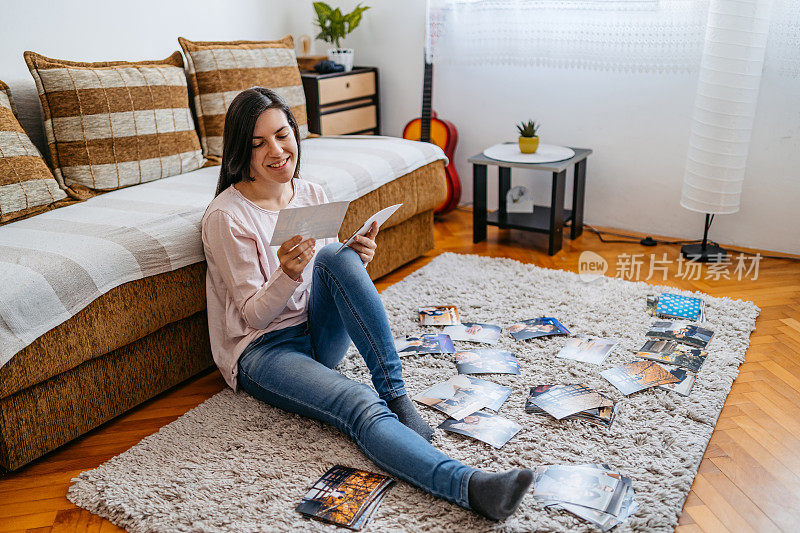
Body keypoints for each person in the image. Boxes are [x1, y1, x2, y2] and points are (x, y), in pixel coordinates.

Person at [200, 87, 533, 521]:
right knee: (358, 405)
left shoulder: (311, 192)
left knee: (338, 256)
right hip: (265, 350)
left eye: (283, 136)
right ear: (239, 151)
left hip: (316, 332)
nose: (277, 151)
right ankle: (471, 487)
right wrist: (287, 274)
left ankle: (397, 396)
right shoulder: (227, 218)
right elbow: (251, 315)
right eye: (259, 143)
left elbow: (328, 275)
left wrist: (353, 259)